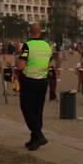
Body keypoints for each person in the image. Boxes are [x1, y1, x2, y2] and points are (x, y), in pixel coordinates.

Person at [16, 22, 52, 151]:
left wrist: (18, 54)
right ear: (40, 32)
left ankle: (39, 135)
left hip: (29, 81)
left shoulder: (27, 46)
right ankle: (34, 140)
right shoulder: (47, 46)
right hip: (43, 81)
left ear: (30, 32)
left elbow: (20, 66)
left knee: (27, 109)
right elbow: (49, 63)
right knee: (38, 110)